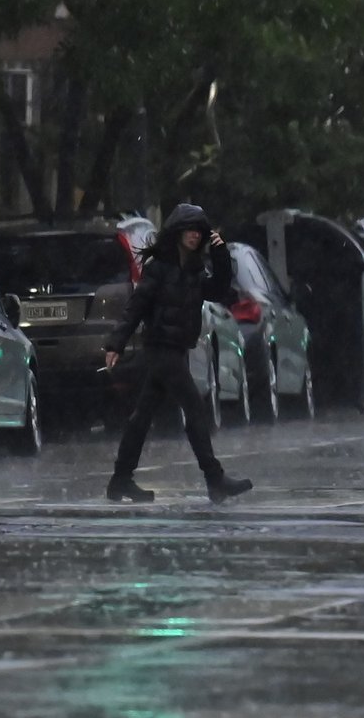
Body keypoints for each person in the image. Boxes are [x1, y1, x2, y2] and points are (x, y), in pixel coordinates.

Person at [102, 204, 253, 504]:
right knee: (194, 408)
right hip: (161, 349)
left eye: (199, 231)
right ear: (177, 233)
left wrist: (221, 255)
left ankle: (120, 479)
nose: (195, 236)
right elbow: (137, 305)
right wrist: (116, 343)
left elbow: (220, 290)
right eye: (189, 230)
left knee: (142, 416)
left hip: (177, 350)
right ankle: (214, 478)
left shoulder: (196, 271)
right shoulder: (159, 268)